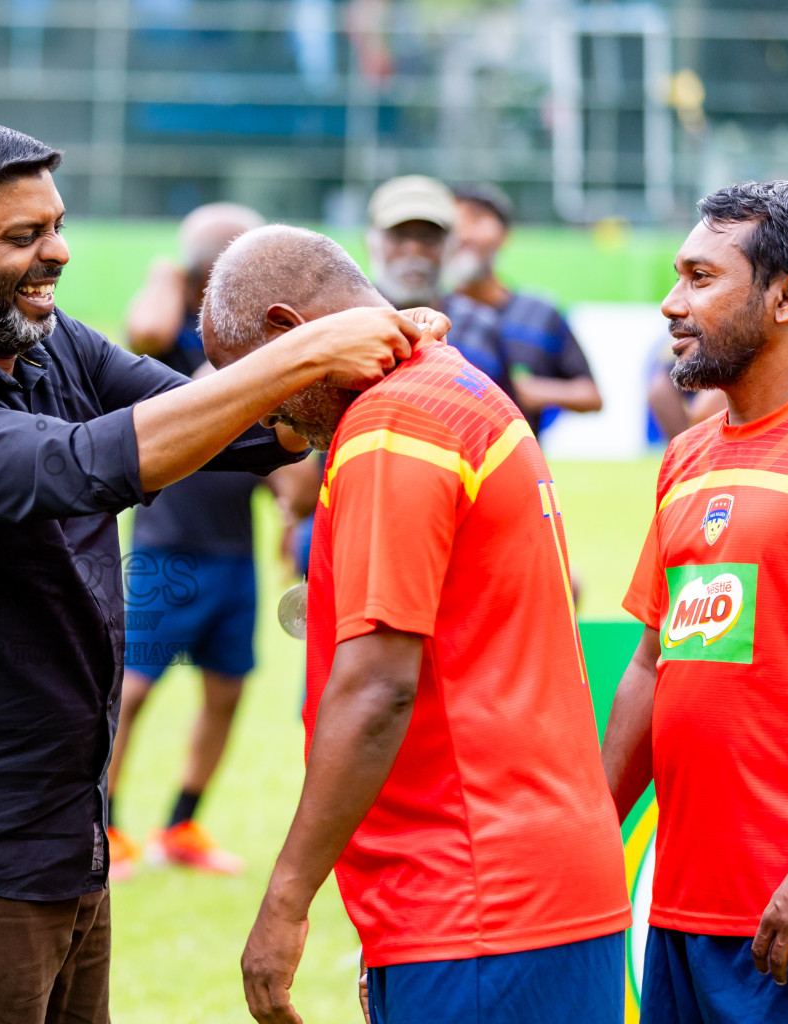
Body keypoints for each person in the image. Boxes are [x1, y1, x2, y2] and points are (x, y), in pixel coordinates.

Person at [0, 121, 439, 1024]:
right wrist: (309, 352)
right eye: (23, 237)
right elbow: (96, 462)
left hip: (67, 842)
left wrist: (363, 367)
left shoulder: (52, 346)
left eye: (57, 225)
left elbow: (221, 424)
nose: (59, 253)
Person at [201, 225, 630, 1024]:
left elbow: (376, 691)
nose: (270, 414)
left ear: (289, 335)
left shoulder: (394, 426)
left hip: (480, 899)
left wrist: (286, 903)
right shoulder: (449, 384)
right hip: (502, 890)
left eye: (257, 379)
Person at [603, 180, 788, 1022]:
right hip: (679, 913)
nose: (669, 303)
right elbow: (653, 667)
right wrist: (583, 840)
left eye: (700, 277)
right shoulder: (686, 458)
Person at [107, 202, 270, 880]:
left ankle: (181, 825)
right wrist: (168, 264)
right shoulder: (170, 341)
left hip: (237, 553)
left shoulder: (255, 342)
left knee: (227, 692)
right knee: (129, 692)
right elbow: (142, 327)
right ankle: (105, 829)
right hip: (165, 548)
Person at [450, 182, 603, 435]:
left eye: (475, 220)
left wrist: (533, 390)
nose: (463, 234)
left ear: (505, 235)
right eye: (453, 225)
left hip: (519, 466)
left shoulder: (540, 314)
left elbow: (591, 396)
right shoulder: (431, 315)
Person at [365, 174, 511, 397]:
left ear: (452, 245)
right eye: (399, 236)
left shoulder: (481, 324)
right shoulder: (349, 322)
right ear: (372, 242)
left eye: (428, 238)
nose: (414, 250)